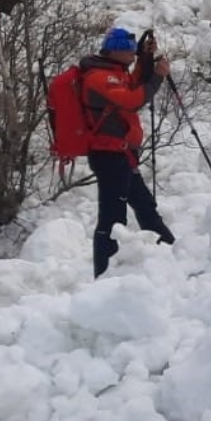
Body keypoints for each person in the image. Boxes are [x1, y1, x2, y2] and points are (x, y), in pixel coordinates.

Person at [81, 27, 175, 278]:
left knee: (145, 207)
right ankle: (105, 274)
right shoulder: (99, 77)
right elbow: (131, 99)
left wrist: (146, 59)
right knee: (112, 218)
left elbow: (133, 83)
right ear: (115, 51)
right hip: (109, 156)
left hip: (121, 156)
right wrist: (156, 78)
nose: (133, 55)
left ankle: (170, 255)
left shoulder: (115, 73)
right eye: (130, 51)